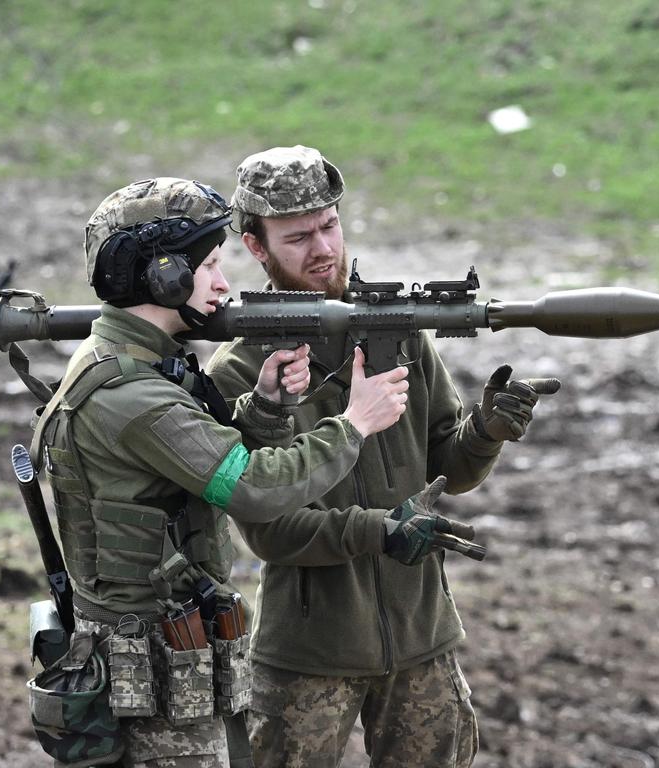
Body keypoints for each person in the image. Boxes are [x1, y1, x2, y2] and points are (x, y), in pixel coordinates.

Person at [25, 176, 466, 768]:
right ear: (163, 277)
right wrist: (355, 423)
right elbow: (254, 488)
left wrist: (264, 405)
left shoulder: (145, 367)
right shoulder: (132, 393)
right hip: (151, 673)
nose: (224, 284)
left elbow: (199, 453)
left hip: (169, 658)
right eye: (207, 266)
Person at [206, 145, 560, 768]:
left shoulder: (398, 331)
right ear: (256, 246)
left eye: (329, 226)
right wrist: (383, 532)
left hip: (421, 642)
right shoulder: (242, 371)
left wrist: (488, 428)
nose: (322, 249)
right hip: (308, 655)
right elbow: (269, 532)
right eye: (297, 237)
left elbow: (448, 468)